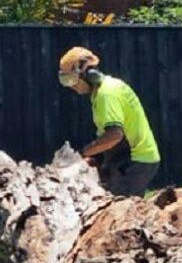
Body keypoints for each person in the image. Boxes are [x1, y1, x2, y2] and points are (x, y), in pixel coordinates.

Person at [58, 46, 158, 196]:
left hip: (134, 161)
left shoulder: (107, 94)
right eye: (65, 81)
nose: (71, 86)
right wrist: (95, 158)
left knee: (120, 214)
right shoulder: (102, 91)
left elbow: (114, 135)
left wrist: (82, 154)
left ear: (89, 74)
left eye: (72, 79)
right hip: (126, 157)